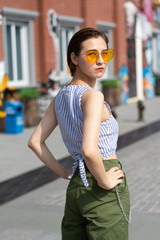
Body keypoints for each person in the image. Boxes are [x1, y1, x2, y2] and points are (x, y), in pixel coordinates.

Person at [28, 27, 130, 240]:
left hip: (76, 185)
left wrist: (64, 173)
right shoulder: (92, 96)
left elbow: (35, 142)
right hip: (101, 179)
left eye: (106, 53)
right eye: (92, 54)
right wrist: (104, 180)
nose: (101, 60)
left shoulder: (60, 97)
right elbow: (89, 149)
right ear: (74, 58)